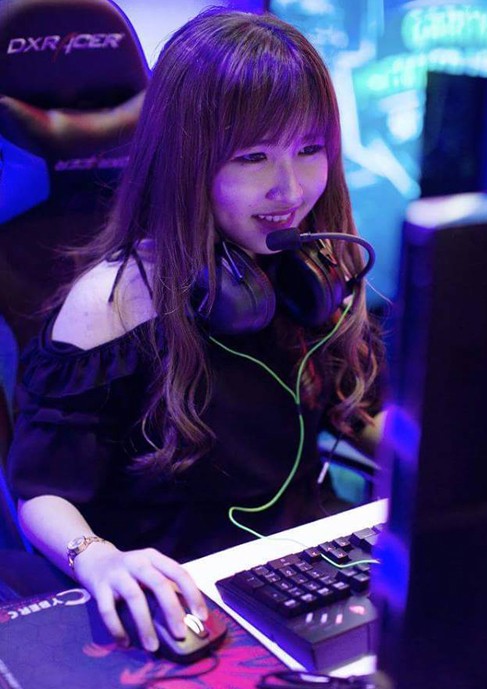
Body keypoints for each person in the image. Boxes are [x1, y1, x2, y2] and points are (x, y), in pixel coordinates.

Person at [6, 7, 385, 656]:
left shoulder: (310, 270)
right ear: (187, 162)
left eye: (309, 149)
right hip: (186, 597)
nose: (289, 189)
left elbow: (362, 412)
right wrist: (98, 558)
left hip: (302, 570)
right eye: (253, 157)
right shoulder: (113, 302)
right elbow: (41, 492)